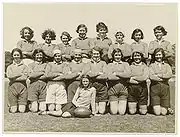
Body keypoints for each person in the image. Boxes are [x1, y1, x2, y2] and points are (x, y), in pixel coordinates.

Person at [85, 46, 108, 115]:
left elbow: (105, 76)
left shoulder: (103, 63)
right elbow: (86, 74)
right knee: (95, 111)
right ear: (91, 54)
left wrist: (92, 75)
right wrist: (98, 73)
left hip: (102, 87)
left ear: (100, 54)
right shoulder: (88, 63)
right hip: (92, 86)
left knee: (101, 111)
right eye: (94, 54)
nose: (96, 55)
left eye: (97, 54)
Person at [107, 48, 131, 115]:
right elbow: (110, 77)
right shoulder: (109, 65)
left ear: (121, 56)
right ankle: (110, 105)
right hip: (113, 91)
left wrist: (116, 73)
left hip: (123, 91)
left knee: (121, 112)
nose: (118, 57)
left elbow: (128, 75)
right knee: (114, 112)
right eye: (116, 55)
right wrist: (122, 74)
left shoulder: (125, 64)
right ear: (113, 56)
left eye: (119, 55)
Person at [149, 48, 172, 115]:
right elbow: (151, 76)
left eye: (159, 55)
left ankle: (167, 107)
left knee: (164, 113)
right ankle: (152, 107)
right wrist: (164, 78)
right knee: (157, 113)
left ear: (162, 55)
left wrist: (159, 75)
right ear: (154, 56)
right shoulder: (151, 65)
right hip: (154, 88)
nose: (158, 56)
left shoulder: (167, 65)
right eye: (156, 55)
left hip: (165, 88)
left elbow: (169, 74)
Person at [6, 48, 28, 113]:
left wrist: (14, 77)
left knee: (22, 110)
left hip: (22, 87)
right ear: (12, 56)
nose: (16, 56)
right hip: (12, 88)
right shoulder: (9, 67)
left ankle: (22, 103)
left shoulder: (25, 66)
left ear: (20, 55)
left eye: (18, 55)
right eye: (15, 55)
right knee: (13, 110)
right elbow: (9, 76)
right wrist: (20, 74)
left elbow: (24, 78)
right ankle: (11, 104)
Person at [128, 51, 149, 115]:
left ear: (141, 57)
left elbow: (144, 78)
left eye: (138, 56)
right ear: (133, 57)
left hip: (142, 88)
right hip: (132, 88)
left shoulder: (145, 67)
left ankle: (142, 106)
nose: (137, 57)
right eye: (135, 56)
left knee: (143, 112)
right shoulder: (130, 66)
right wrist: (138, 80)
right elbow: (128, 79)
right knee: (132, 112)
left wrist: (134, 77)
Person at [27, 48, 48, 113]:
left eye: (41, 55)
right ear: (34, 56)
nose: (39, 56)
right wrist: (42, 72)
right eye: (37, 55)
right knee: (34, 109)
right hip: (33, 86)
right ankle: (30, 104)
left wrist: (35, 74)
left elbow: (46, 75)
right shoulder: (30, 65)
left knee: (43, 109)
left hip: (43, 86)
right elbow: (31, 76)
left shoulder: (46, 65)